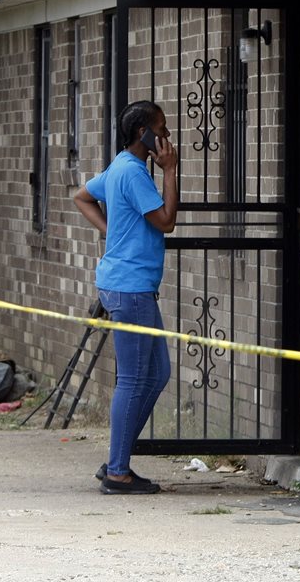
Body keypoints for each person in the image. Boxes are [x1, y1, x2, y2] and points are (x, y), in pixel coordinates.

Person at [73, 100, 178, 495]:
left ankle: (118, 458)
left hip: (131, 285)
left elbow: (81, 196)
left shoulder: (118, 167)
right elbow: (166, 221)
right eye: (162, 129)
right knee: (134, 379)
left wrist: (109, 230)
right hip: (130, 288)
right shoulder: (133, 174)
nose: (166, 136)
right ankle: (117, 472)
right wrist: (170, 170)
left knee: (158, 373)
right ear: (144, 134)